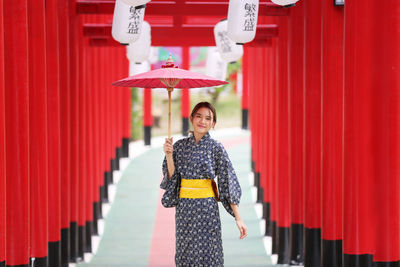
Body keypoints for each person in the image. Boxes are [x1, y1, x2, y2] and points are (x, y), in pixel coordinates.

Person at [160, 101, 247, 266]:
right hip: (185, 208)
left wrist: (238, 218)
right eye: (199, 116)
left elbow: (227, 180)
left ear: (213, 124)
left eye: (208, 118)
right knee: (185, 251)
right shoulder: (178, 146)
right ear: (191, 118)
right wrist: (169, 155)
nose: (202, 121)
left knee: (209, 252)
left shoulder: (216, 148)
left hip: (207, 209)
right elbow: (173, 178)